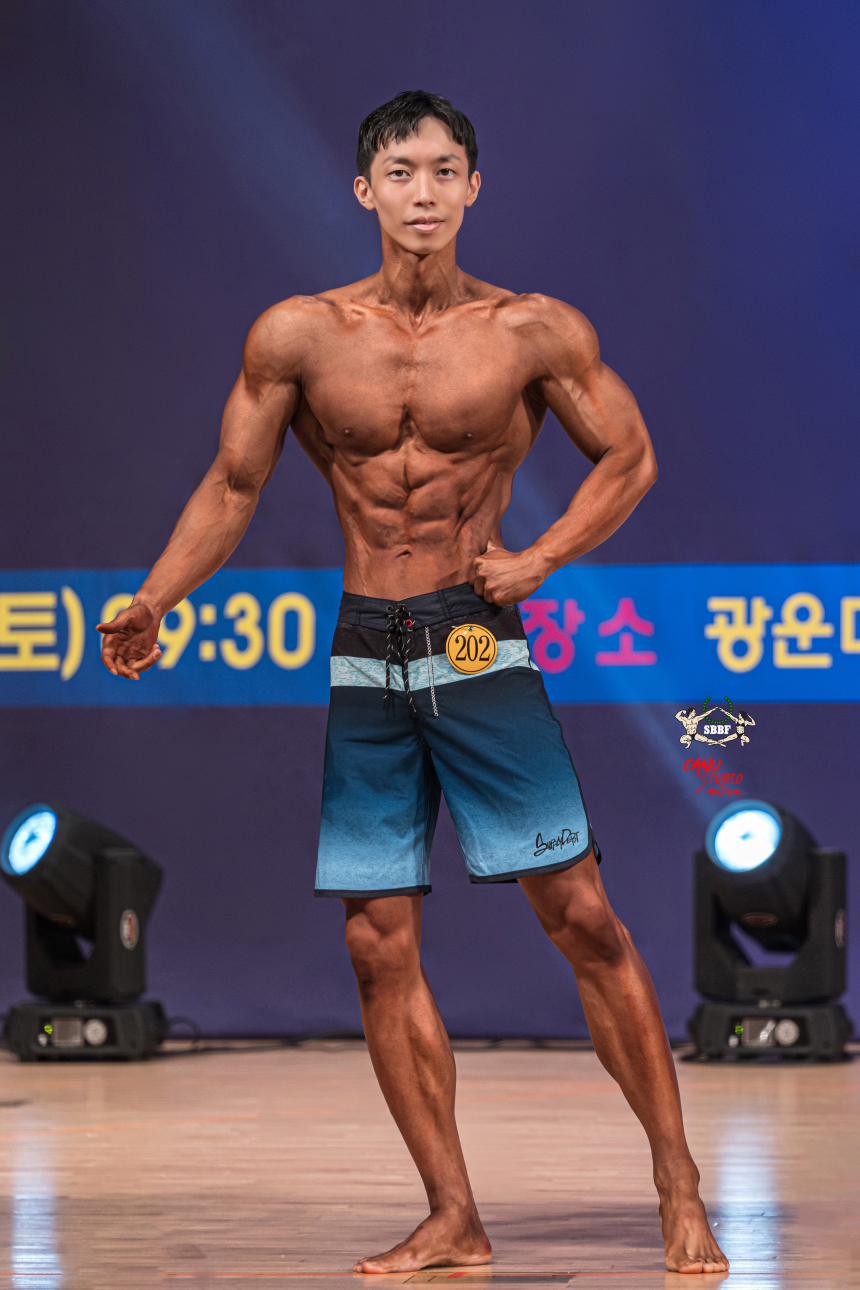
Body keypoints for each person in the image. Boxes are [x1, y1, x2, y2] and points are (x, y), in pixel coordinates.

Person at [98, 90, 728, 1276]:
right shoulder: (298, 336)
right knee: (376, 945)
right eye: (401, 172)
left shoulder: (531, 331)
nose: (423, 192)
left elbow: (629, 457)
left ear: (472, 188)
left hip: (474, 639)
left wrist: (538, 560)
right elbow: (232, 485)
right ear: (365, 191)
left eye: (443, 170)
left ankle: (677, 1182)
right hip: (365, 648)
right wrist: (156, 596)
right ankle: (451, 1214)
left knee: (580, 916)